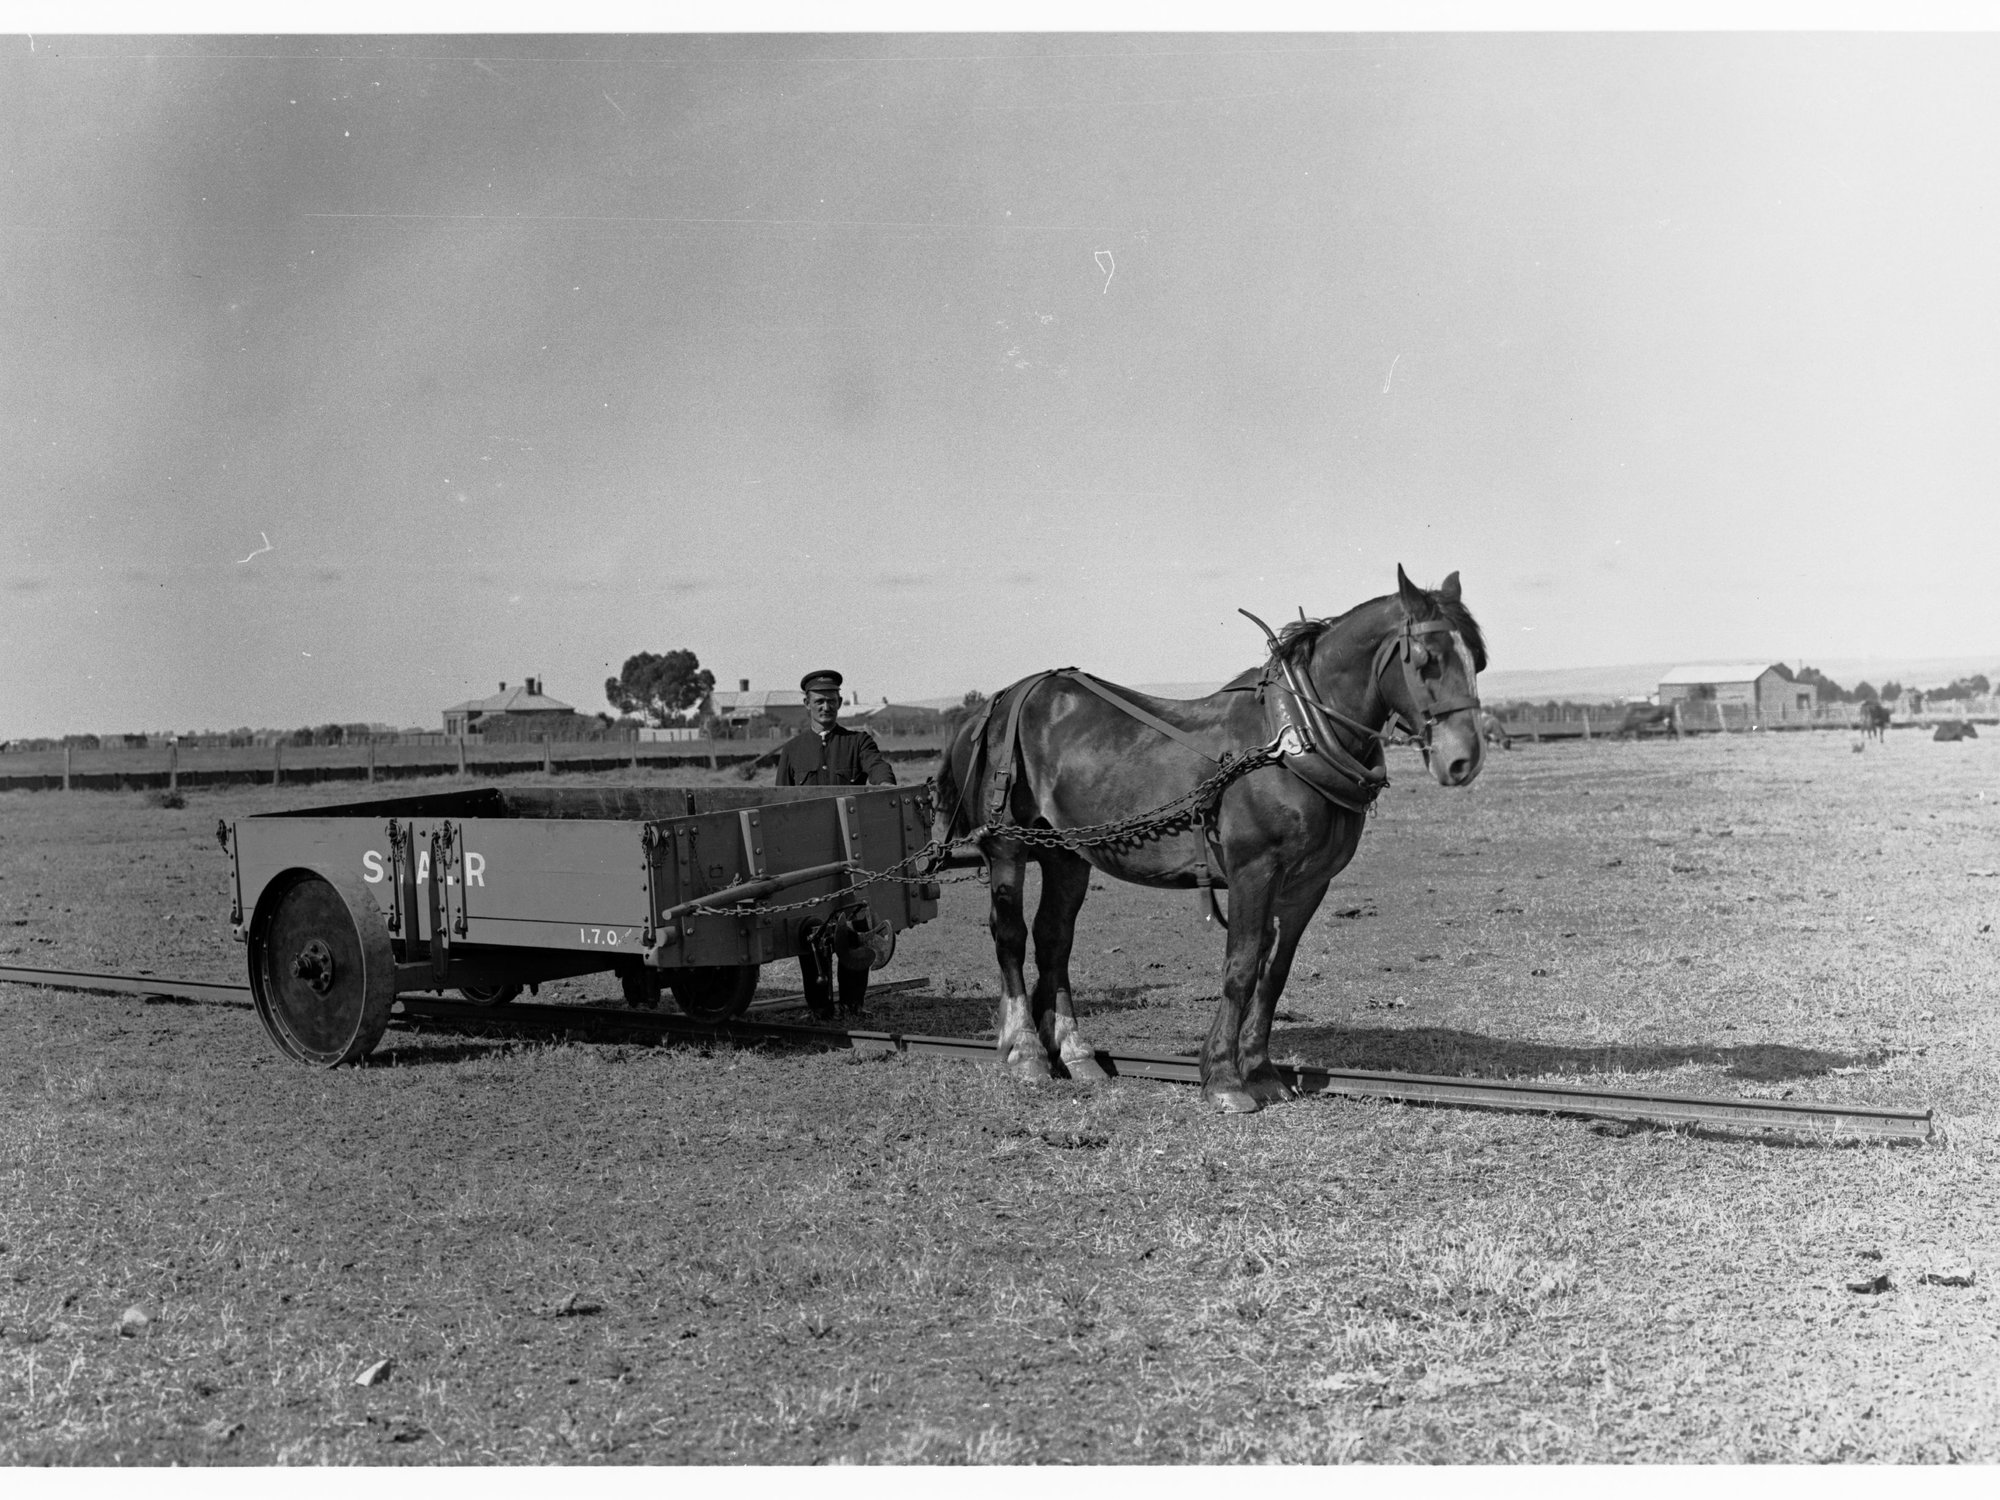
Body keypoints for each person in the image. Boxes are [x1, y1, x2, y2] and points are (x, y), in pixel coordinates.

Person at [775, 670, 894, 1020]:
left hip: (848, 856)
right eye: (819, 701)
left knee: (854, 928)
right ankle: (819, 1008)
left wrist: (884, 785)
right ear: (807, 704)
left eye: (831, 701)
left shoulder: (858, 742)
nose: (826, 706)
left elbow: (878, 767)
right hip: (807, 859)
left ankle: (854, 1005)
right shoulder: (793, 750)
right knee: (811, 931)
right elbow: (778, 803)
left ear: (840, 703)